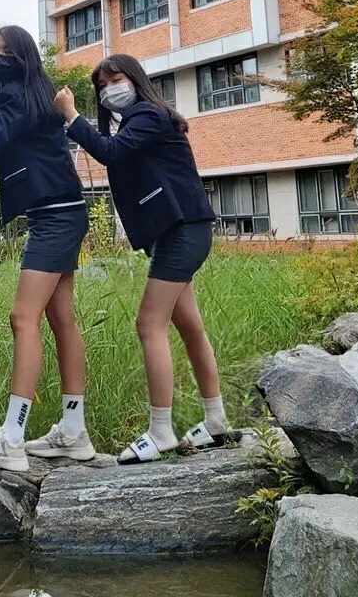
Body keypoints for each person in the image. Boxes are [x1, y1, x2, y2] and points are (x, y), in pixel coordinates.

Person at [55, 53, 235, 464]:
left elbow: (110, 154)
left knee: (148, 323)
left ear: (134, 78)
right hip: (180, 230)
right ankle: (216, 420)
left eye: (114, 79)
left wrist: (71, 116)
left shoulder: (148, 116)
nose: (108, 89)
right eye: (101, 86)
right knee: (189, 325)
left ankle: (160, 432)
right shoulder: (144, 119)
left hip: (183, 231)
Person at [0, 25, 94, 474]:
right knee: (60, 318)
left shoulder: (14, 95)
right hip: (62, 210)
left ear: (24, 56)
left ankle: (11, 440)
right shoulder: (35, 93)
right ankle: (74, 433)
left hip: (55, 216)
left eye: (6, 51)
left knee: (23, 317)